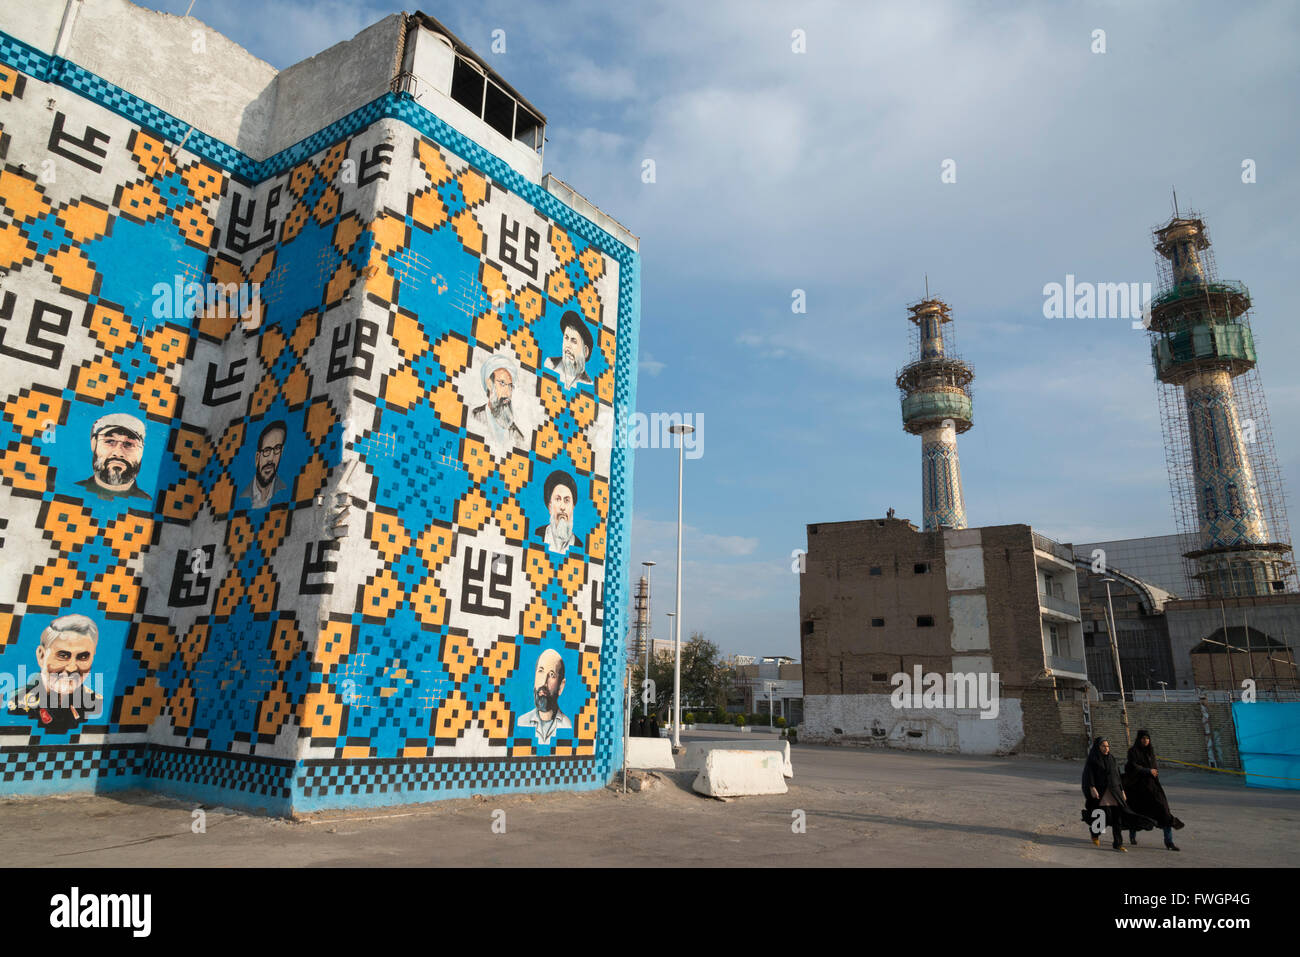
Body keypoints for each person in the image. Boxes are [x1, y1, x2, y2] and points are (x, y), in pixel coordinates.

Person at [6, 614, 101, 733]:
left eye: (83, 657)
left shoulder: (96, 703)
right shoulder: (14, 702)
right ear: (41, 656)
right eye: (63, 656)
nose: (72, 668)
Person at [1081, 736, 1154, 852]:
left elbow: (1117, 776)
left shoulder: (1112, 759)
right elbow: (1088, 775)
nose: (1106, 748)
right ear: (1098, 747)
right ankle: (1094, 832)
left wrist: (1122, 791)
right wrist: (1092, 787)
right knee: (1104, 816)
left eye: (1107, 746)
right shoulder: (1093, 760)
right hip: (1102, 792)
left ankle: (1118, 844)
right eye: (1103, 746)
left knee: (1117, 818)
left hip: (1115, 792)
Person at [1123, 730, 1186, 851]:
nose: (1145, 740)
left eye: (1147, 738)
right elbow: (1133, 766)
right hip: (1138, 788)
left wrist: (1154, 775)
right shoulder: (1133, 751)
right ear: (1139, 739)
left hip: (1153, 787)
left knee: (1164, 811)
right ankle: (1132, 836)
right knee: (1136, 812)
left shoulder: (1150, 752)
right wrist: (1147, 771)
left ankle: (1169, 842)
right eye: (1143, 738)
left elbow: (1154, 768)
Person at [77, 413, 150, 501]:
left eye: (129, 444)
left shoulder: (146, 502)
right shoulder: (73, 492)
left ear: (141, 451)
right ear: (94, 444)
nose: (118, 453)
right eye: (110, 441)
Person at [469, 353, 526, 451]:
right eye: (502, 384)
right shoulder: (473, 417)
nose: (508, 393)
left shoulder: (517, 436)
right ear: (490, 384)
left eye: (510, 386)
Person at [516, 649, 571, 745]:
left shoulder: (567, 726)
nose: (543, 682)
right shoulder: (521, 722)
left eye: (551, 675)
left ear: (561, 686)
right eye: (540, 671)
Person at [239, 419, 287, 508]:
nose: (271, 459)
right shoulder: (242, 498)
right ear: (257, 457)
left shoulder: (285, 492)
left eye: (277, 449)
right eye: (267, 451)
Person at [543, 310, 594, 390]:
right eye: (566, 338)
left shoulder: (588, 384)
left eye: (574, 341)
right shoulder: (549, 364)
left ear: (585, 351)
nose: (568, 346)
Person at [537, 469, 582, 556]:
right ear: (550, 506)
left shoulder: (579, 547)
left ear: (572, 507)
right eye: (558, 499)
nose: (562, 507)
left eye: (567, 500)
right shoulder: (536, 535)